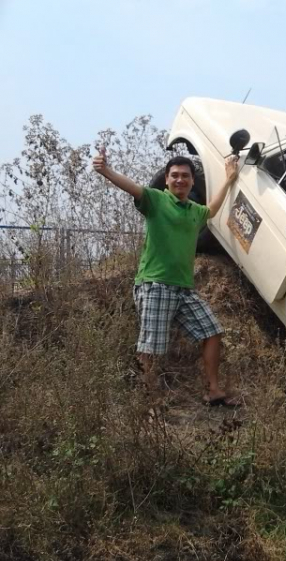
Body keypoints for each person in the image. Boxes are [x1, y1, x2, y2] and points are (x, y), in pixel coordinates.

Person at [93, 148, 241, 406]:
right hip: (155, 285)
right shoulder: (156, 200)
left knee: (212, 332)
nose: (180, 180)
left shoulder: (195, 211)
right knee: (151, 348)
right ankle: (150, 403)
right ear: (166, 179)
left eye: (185, 176)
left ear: (193, 181)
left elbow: (213, 209)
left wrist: (229, 178)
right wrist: (106, 171)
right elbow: (133, 188)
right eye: (174, 175)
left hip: (184, 288)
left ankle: (213, 391)